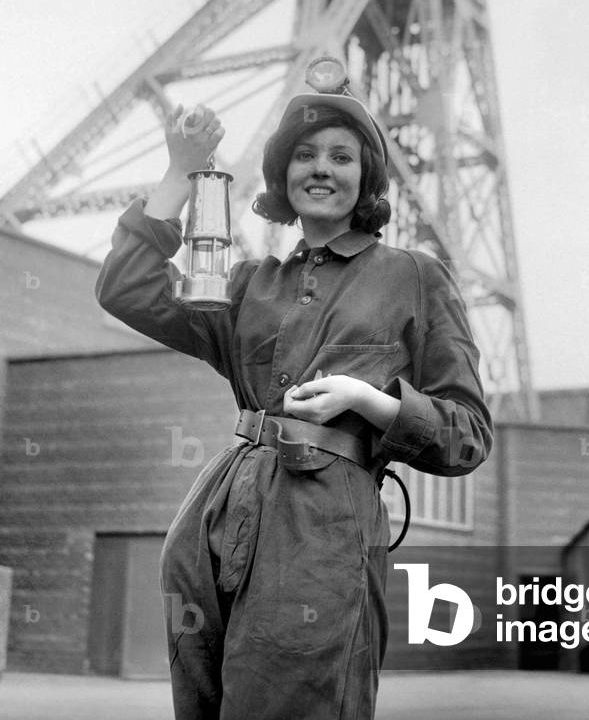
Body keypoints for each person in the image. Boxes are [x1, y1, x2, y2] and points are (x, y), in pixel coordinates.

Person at [95, 77, 493, 720]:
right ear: (283, 176)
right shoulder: (251, 283)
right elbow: (128, 290)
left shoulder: (413, 277)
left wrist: (371, 400)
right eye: (305, 155)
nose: (321, 169)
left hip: (322, 533)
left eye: (342, 156)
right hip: (216, 517)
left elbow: (468, 434)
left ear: (367, 180)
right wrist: (179, 171)